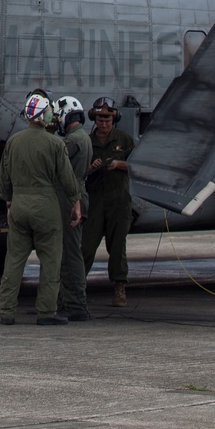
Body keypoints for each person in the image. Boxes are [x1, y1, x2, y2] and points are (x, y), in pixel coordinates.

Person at [0, 93, 81, 326]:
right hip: (46, 206)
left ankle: (6, 312)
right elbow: (67, 177)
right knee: (51, 261)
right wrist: (75, 201)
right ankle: (46, 312)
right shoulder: (55, 143)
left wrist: (9, 201)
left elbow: (3, 176)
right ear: (44, 114)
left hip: (19, 204)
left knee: (14, 261)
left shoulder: (13, 141)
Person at [81, 95, 134, 307]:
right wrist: (90, 168)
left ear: (114, 120)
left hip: (118, 201)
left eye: (108, 120)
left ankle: (119, 287)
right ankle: (76, 286)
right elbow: (75, 171)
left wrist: (119, 165)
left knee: (118, 246)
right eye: (100, 119)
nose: (103, 123)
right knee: (86, 246)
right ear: (94, 119)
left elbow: (137, 166)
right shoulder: (87, 142)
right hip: (94, 201)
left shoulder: (124, 140)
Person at [53, 95, 91, 322]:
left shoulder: (72, 141)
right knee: (68, 253)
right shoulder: (82, 137)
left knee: (69, 255)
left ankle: (76, 304)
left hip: (69, 198)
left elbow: (52, 158)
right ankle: (66, 301)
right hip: (76, 195)